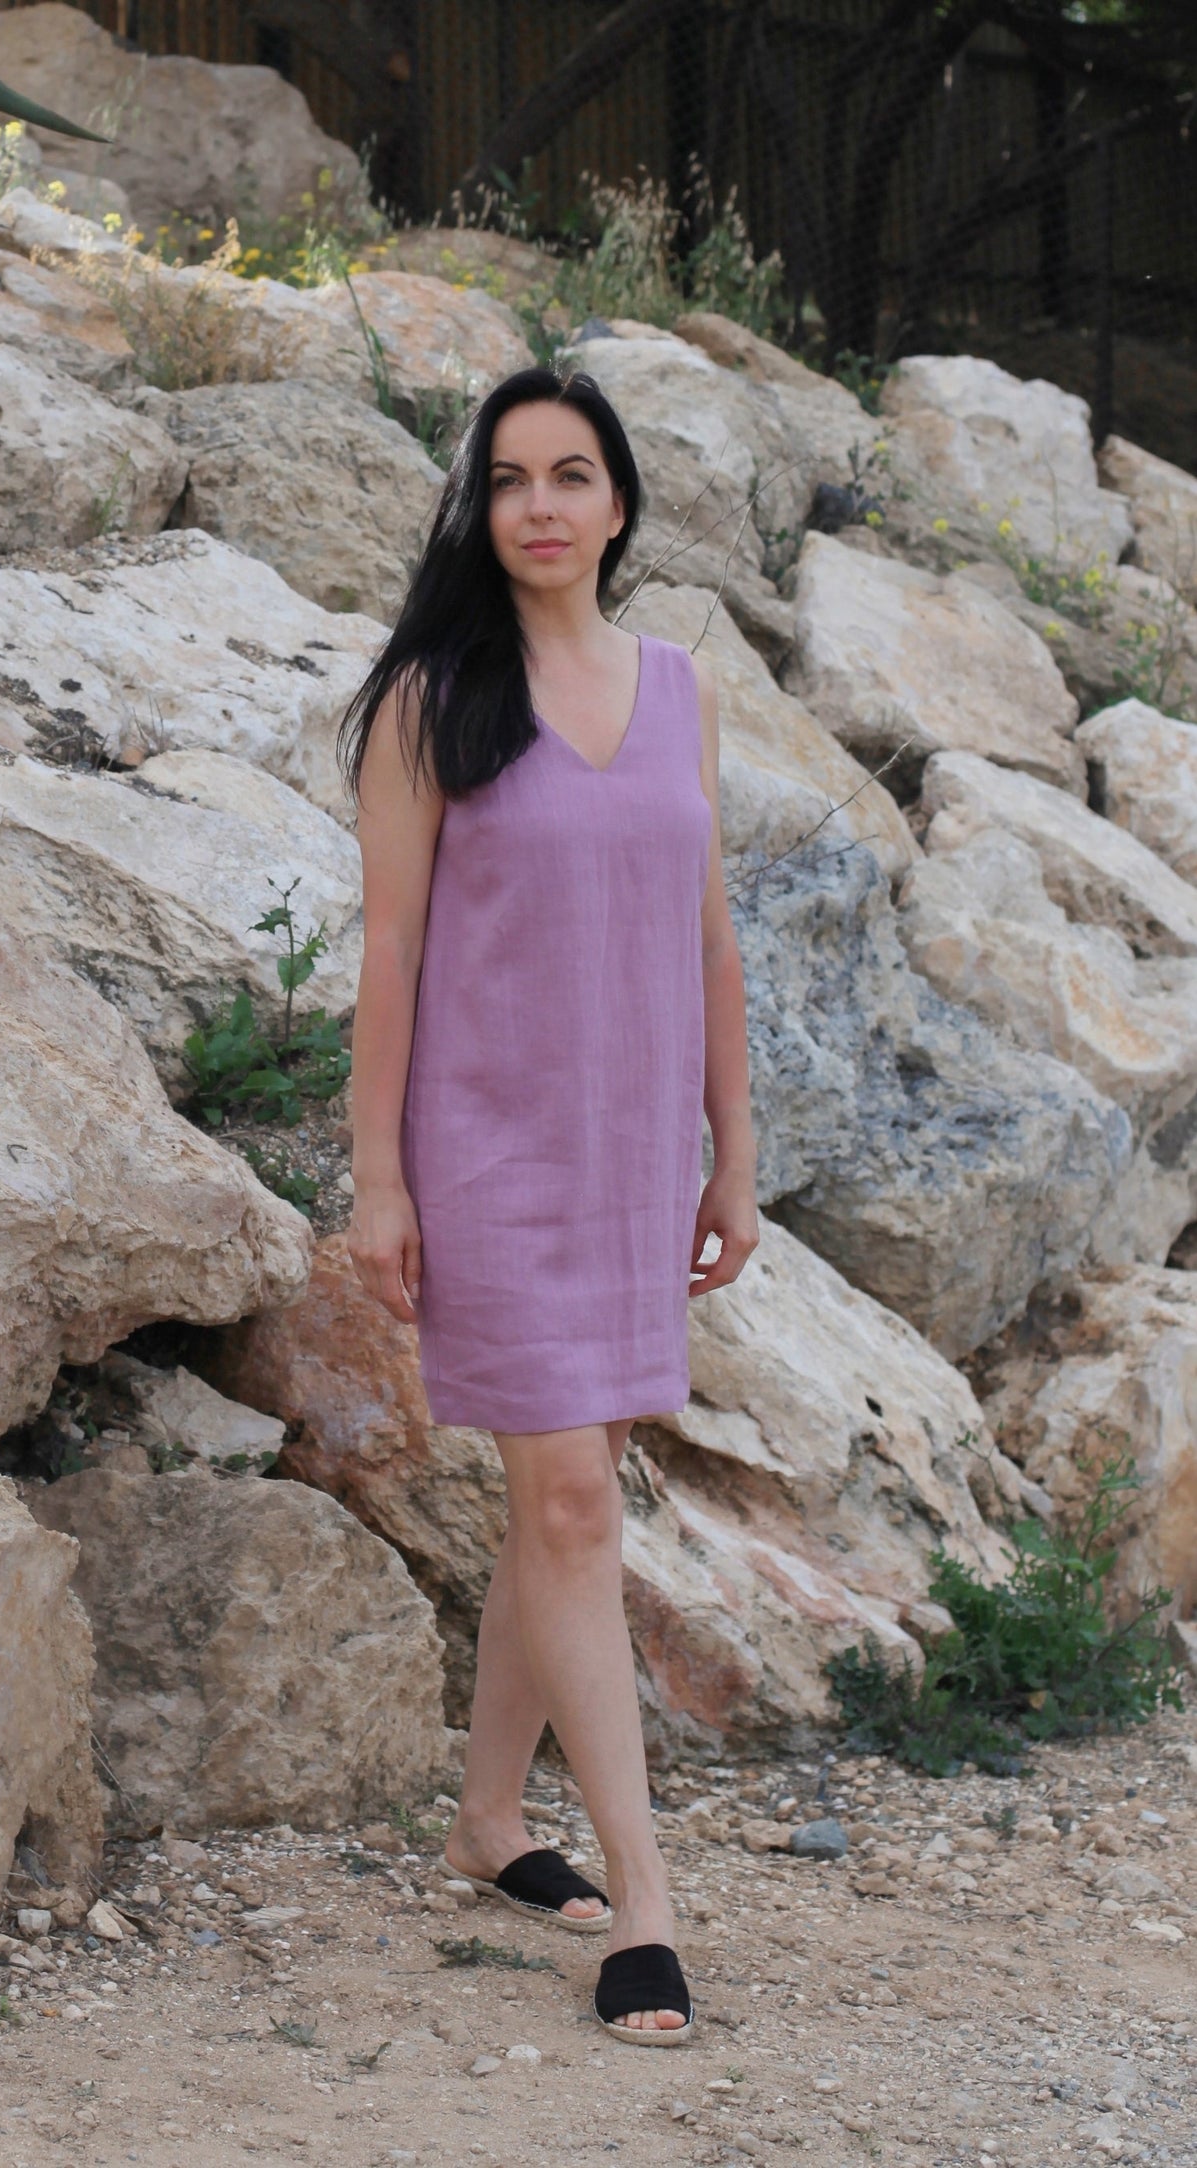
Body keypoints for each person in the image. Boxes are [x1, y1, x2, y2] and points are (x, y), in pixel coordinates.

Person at [338, 363, 759, 2045]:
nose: (538, 506)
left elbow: (709, 931)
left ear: (618, 503)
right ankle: (645, 1915)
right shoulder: (432, 698)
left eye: (570, 474)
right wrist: (377, 1177)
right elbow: (388, 949)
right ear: (479, 507)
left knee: (557, 1497)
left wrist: (735, 1148)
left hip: (633, 1155)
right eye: (508, 478)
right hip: (490, 1156)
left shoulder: (677, 689)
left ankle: (487, 1822)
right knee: (576, 1504)